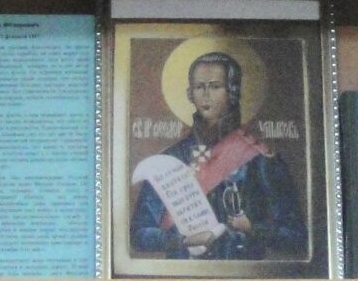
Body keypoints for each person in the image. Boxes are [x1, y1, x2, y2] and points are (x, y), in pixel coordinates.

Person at [130, 50, 308, 262]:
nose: (206, 95)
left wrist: (252, 228)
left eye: (215, 86)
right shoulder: (171, 159)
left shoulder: (260, 159)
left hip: (242, 276)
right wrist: (182, 240)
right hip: (183, 277)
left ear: (232, 91)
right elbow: (139, 234)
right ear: (189, 94)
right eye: (199, 87)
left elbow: (296, 237)